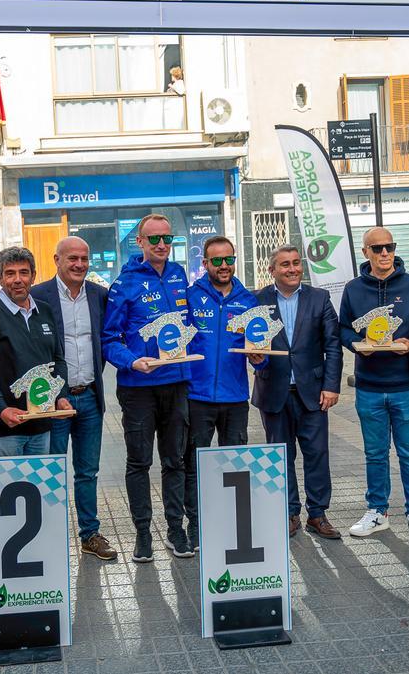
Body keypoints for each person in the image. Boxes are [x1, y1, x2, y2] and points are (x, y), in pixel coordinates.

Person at [101, 213, 192, 562]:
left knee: (175, 461)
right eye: (153, 239)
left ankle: (175, 529)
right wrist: (131, 361)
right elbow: (109, 338)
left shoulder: (179, 275)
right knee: (139, 462)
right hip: (138, 387)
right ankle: (143, 534)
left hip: (176, 382)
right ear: (139, 242)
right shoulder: (124, 284)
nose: (161, 245)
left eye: (167, 239)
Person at [339, 228, 409, 542]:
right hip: (369, 386)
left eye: (389, 247)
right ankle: (377, 511)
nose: (384, 253)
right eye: (376, 248)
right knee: (375, 454)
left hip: (406, 384)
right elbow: (342, 330)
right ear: (365, 252)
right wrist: (358, 343)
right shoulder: (352, 290)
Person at [31, 237, 117, 561]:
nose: (79, 264)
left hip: (91, 398)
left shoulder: (99, 295)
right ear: (57, 259)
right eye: (73, 259)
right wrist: (51, 393)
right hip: (55, 402)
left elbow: (107, 338)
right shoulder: (39, 296)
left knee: (87, 472)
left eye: (84, 258)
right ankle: (46, 536)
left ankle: (89, 534)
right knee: (50, 469)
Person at [252, 245, 343, 539]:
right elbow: (251, 342)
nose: (292, 269)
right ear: (272, 270)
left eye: (295, 263)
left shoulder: (319, 298)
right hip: (273, 390)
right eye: (284, 265)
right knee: (281, 455)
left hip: (313, 392)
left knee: (316, 454)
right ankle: (289, 513)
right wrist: (255, 357)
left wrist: (331, 385)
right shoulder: (257, 300)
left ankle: (317, 514)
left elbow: (333, 345)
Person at [182, 236, 265, 553]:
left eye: (229, 259)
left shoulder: (248, 300)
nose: (224, 265)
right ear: (205, 264)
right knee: (196, 466)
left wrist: (261, 358)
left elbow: (260, 347)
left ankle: (232, 526)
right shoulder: (191, 297)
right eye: (216, 260)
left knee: (234, 465)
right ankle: (198, 528)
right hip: (198, 397)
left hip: (234, 399)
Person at [0, 247, 71, 456]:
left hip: (41, 424)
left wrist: (60, 396)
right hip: (4, 428)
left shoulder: (44, 311)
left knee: (38, 487)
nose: (18, 279)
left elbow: (58, 360)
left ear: (33, 276)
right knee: (8, 487)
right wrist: (2, 408)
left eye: (23, 272)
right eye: (10, 273)